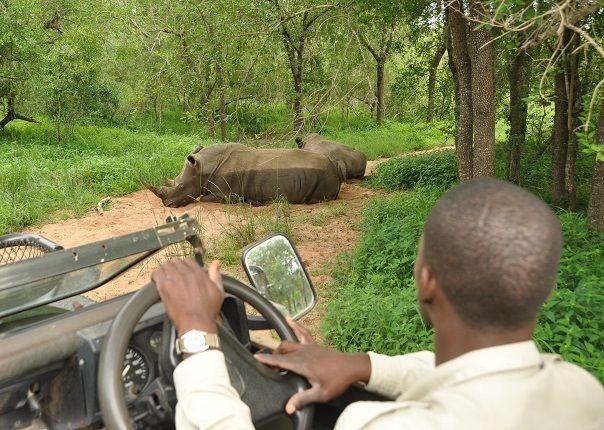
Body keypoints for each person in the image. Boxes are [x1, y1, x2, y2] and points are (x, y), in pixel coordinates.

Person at [152, 178, 604, 430]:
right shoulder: (584, 391)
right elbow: (482, 377)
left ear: (426, 281)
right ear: (542, 290)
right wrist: (364, 365)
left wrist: (196, 336)